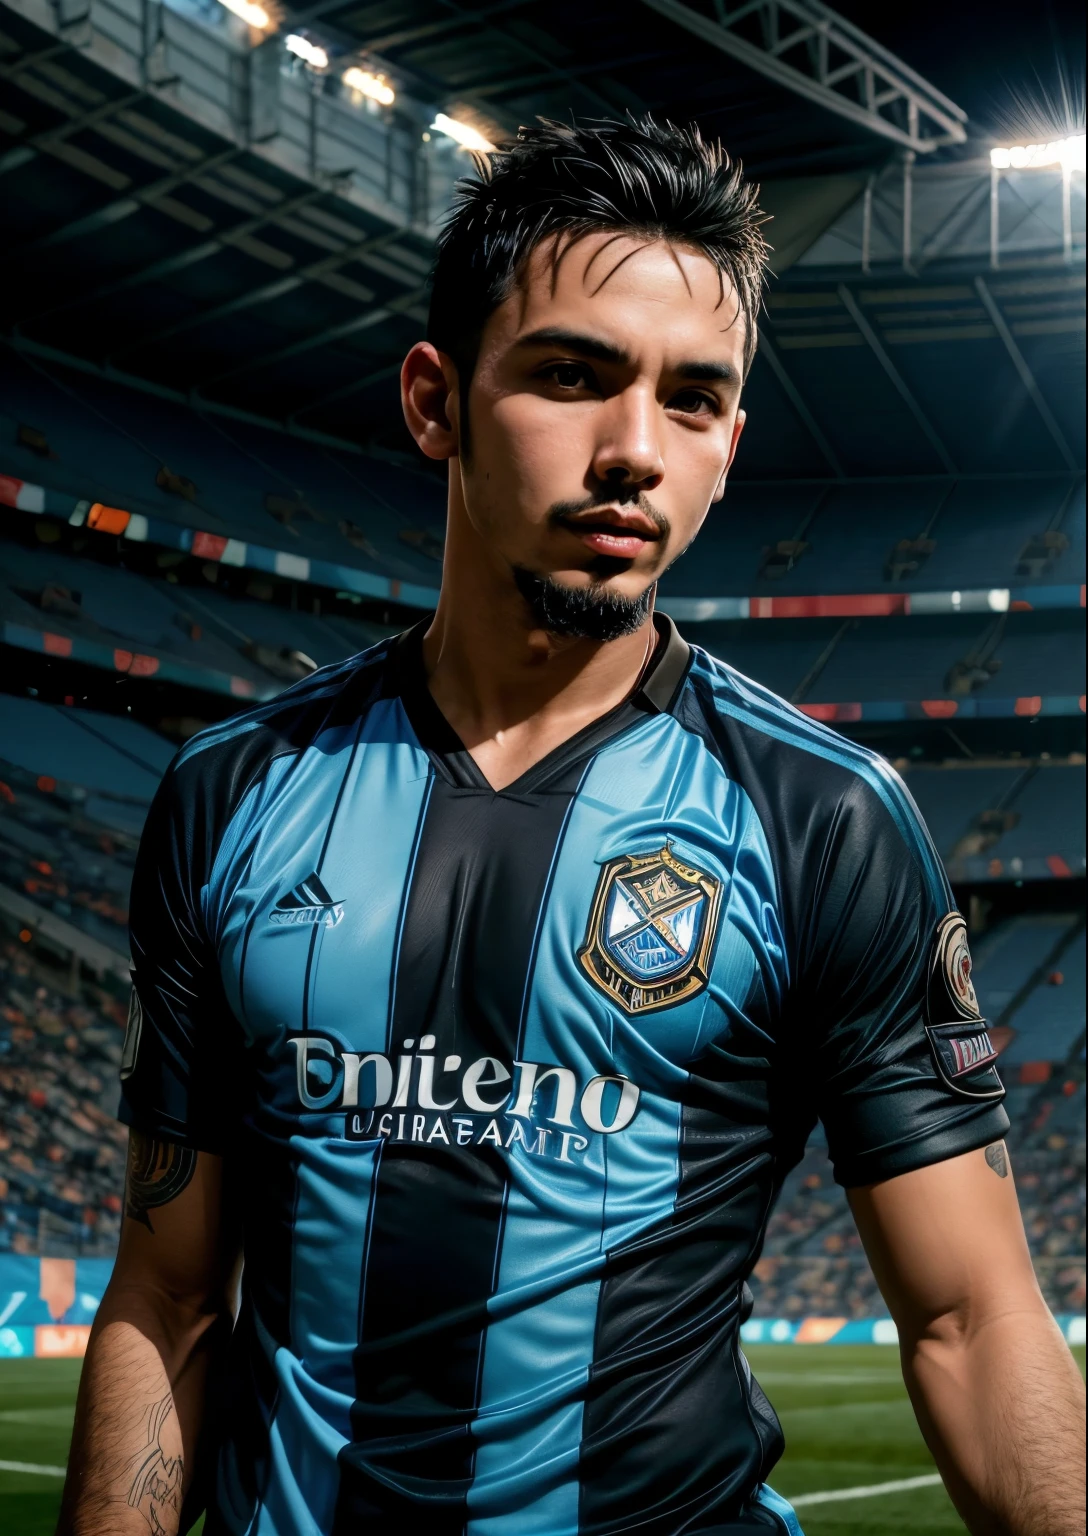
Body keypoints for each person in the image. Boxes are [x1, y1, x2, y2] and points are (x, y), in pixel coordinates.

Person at [58, 117, 1084, 1536]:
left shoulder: (826, 822)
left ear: (732, 440)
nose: (633, 452)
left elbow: (972, 1320)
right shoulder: (235, 792)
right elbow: (165, 1301)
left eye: (694, 399)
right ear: (436, 401)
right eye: (570, 376)